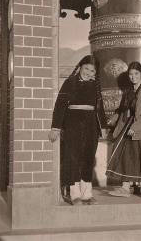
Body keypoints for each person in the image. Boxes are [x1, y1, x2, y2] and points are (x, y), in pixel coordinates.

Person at [48, 55, 105, 205]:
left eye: (92, 71)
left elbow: (100, 108)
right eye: (86, 68)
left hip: (91, 125)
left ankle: (87, 195)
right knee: (73, 158)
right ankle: (74, 194)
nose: (88, 72)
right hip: (73, 124)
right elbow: (60, 105)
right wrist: (56, 127)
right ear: (80, 67)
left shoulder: (95, 85)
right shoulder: (70, 82)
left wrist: (103, 127)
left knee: (88, 158)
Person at [106, 62, 141, 199]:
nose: (133, 77)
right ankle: (125, 188)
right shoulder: (129, 91)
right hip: (129, 128)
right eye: (130, 74)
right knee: (127, 157)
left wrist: (135, 127)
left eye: (136, 73)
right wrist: (114, 118)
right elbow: (123, 109)